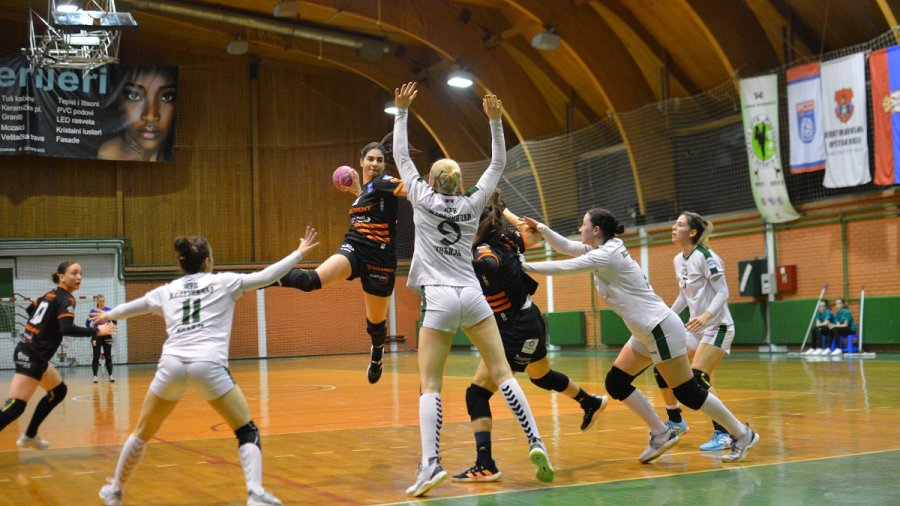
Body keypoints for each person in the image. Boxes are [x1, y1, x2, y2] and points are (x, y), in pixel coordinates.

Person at [394, 82, 552, 498]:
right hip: (473, 295)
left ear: (430, 180)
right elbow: (498, 163)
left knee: (430, 384)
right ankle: (536, 440)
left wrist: (402, 112)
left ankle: (431, 465)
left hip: (440, 296)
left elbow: (400, 156)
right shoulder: (471, 205)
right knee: (503, 374)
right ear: (459, 182)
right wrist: (496, 120)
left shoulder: (420, 198)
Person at [94, 228, 319, 506]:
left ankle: (114, 491)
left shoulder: (168, 290)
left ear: (182, 263)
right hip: (207, 363)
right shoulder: (224, 281)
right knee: (246, 430)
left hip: (172, 363)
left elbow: (135, 307)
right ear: (208, 261)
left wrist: (109, 314)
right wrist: (299, 252)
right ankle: (255, 494)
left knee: (142, 431)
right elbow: (266, 276)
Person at [520, 208, 760, 464]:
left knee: (688, 392)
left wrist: (522, 266)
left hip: (658, 328)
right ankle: (661, 433)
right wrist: (543, 229)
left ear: (596, 230)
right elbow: (567, 247)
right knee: (616, 383)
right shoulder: (604, 249)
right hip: (645, 331)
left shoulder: (606, 255)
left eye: (583, 225)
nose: (580, 230)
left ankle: (741, 433)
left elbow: (565, 267)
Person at [452, 193, 608, 483]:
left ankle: (486, 463)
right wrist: (507, 213)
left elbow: (489, 265)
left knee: (477, 393)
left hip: (513, 329)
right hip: (531, 320)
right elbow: (534, 232)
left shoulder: (483, 254)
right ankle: (589, 401)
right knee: (541, 375)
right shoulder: (509, 239)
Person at [274, 134, 408, 384]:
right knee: (311, 280)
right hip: (355, 248)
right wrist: (357, 190)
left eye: (379, 160)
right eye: (370, 159)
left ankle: (377, 353)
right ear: (360, 162)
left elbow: (412, 190)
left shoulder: (385, 182)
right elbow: (369, 205)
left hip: (381, 259)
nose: (375, 163)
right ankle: (265, 278)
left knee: (376, 324)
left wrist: (437, 195)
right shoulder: (366, 191)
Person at [0, 262, 117, 450]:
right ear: (61, 276)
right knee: (16, 406)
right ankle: (29, 435)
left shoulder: (49, 294)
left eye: (81, 273)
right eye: (74, 273)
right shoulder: (67, 299)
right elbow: (67, 328)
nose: (79, 277)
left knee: (58, 391)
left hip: (33, 353)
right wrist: (97, 330)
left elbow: (31, 310)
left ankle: (30, 434)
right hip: (32, 355)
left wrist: (46, 331)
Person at [654, 212, 738, 452]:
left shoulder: (707, 257)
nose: (673, 227)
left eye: (679, 225)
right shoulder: (678, 260)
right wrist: (667, 317)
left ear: (692, 232)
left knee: (698, 378)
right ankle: (676, 420)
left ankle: (724, 434)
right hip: (695, 328)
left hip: (717, 327)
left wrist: (706, 315)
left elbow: (723, 292)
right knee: (663, 366)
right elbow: (684, 295)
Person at [98, 65, 178, 162]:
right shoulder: (108, 153)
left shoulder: (186, 158)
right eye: (134, 95)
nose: (150, 117)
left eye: (166, 97)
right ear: (117, 99)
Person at [87, 294, 117, 383]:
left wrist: (111, 325)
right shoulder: (93, 311)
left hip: (107, 335)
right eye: (100, 301)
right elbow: (87, 323)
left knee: (108, 356)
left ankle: (110, 376)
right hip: (96, 335)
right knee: (96, 356)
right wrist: (91, 327)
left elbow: (115, 322)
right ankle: (95, 376)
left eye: (103, 301)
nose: (101, 303)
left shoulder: (109, 310)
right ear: (97, 302)